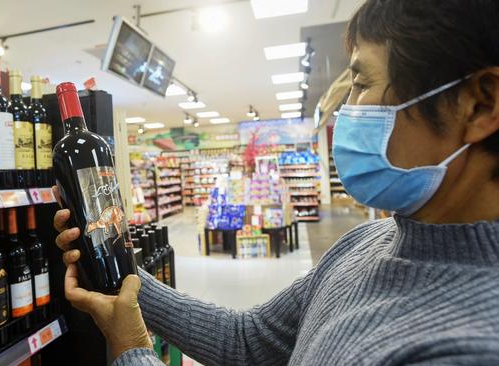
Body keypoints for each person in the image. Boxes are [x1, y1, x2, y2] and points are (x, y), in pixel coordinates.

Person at [54, 0, 499, 364]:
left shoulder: (468, 346)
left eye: (362, 82)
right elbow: (249, 340)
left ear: (479, 105)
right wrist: (118, 269)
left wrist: (130, 344)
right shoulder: (369, 240)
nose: (347, 109)